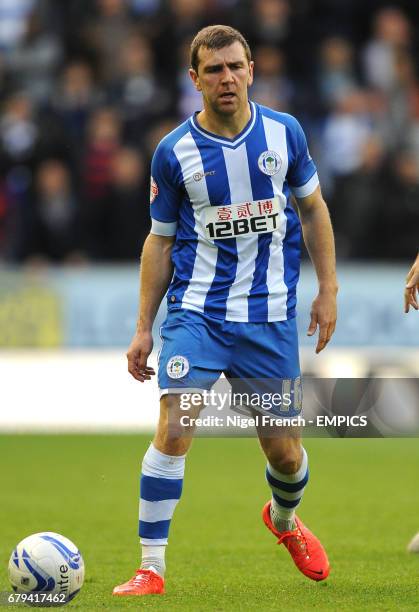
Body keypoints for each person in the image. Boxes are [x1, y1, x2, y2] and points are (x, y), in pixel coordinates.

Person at [113, 25, 338, 597]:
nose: (227, 78)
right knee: (175, 425)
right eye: (213, 70)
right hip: (198, 314)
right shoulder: (174, 152)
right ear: (195, 80)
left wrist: (328, 289)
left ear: (252, 69)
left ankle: (284, 521)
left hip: (269, 317)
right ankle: (151, 567)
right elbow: (159, 241)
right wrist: (144, 327)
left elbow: (313, 210)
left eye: (235, 66)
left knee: (286, 454)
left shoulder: (285, 134)